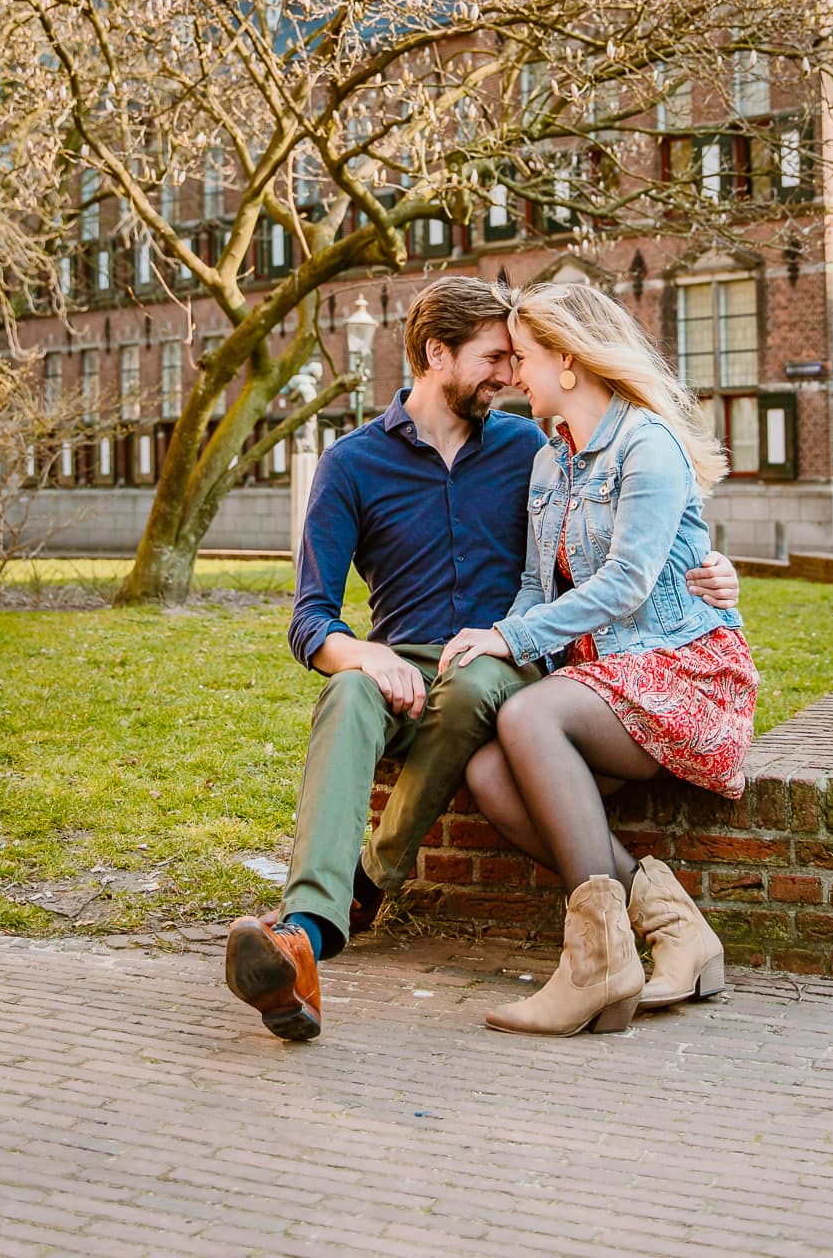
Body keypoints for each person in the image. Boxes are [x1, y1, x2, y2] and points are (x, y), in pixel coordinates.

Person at [224, 275, 741, 1042]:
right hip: (401, 658)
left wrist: (720, 575)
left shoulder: (532, 445)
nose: (508, 375)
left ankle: (371, 884)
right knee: (345, 698)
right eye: (495, 357)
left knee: (470, 688)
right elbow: (309, 617)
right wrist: (361, 656)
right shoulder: (354, 464)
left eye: (517, 358)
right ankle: (304, 932)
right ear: (436, 353)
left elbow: (643, 546)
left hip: (502, 661)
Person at [441, 280, 759, 1039]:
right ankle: (673, 931)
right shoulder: (552, 461)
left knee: (528, 713)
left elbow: (627, 583)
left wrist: (513, 642)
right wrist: (499, 635)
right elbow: (529, 583)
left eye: (523, 357)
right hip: (607, 681)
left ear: (570, 362)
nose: (513, 374)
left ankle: (594, 965)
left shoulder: (646, 444)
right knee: (487, 772)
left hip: (681, 671)